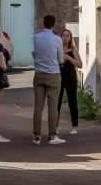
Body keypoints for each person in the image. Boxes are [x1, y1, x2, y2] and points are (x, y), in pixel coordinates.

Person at [32, 14, 66, 145]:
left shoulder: (36, 37)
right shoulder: (57, 39)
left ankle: (36, 135)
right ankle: (52, 135)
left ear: (43, 23)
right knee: (52, 106)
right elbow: (60, 59)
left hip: (39, 74)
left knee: (38, 106)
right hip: (53, 74)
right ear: (54, 24)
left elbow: (36, 54)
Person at [57, 29, 83, 135]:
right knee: (56, 103)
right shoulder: (57, 49)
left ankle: (74, 127)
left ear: (70, 37)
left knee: (72, 101)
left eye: (68, 35)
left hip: (71, 78)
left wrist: (68, 57)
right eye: (63, 35)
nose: (65, 36)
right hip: (58, 77)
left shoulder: (73, 49)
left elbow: (80, 64)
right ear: (61, 36)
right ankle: (55, 127)